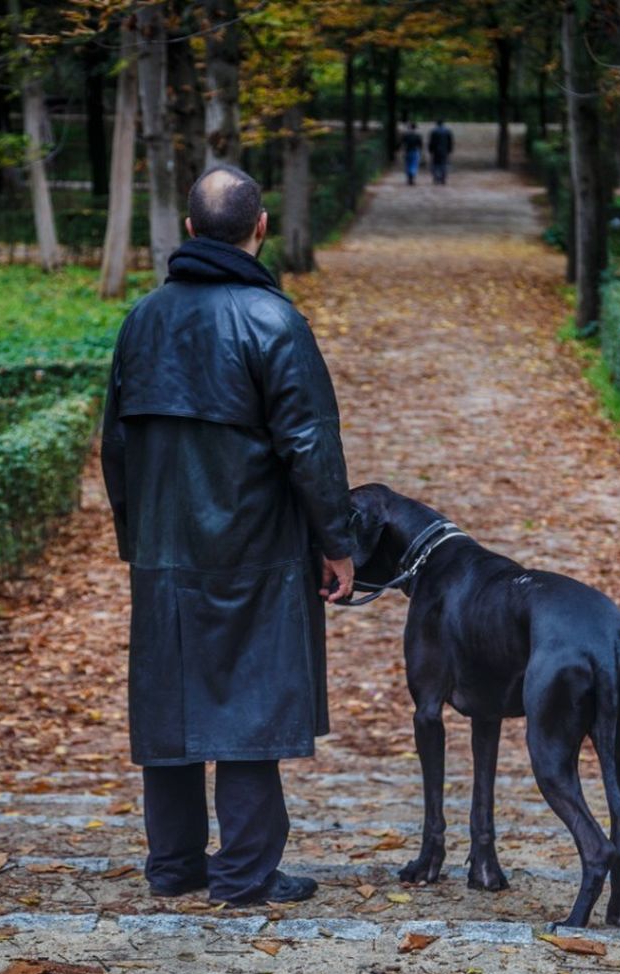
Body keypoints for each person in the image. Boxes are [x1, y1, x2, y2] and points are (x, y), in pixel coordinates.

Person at [101, 164, 357, 906]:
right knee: (251, 697)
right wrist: (335, 542)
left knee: (172, 698)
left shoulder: (142, 320)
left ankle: (175, 867)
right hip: (256, 544)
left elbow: (115, 444)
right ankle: (244, 874)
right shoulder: (275, 322)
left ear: (188, 230)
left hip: (164, 546)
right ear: (261, 227)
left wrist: (136, 538)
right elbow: (310, 444)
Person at [427, 118, 454, 185]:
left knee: (435, 164)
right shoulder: (447, 131)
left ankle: (436, 177)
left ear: (437, 123)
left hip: (435, 150)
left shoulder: (434, 131)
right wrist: (450, 150)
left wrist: (430, 150)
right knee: (443, 164)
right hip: (444, 150)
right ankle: (443, 178)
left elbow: (431, 142)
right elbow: (450, 142)